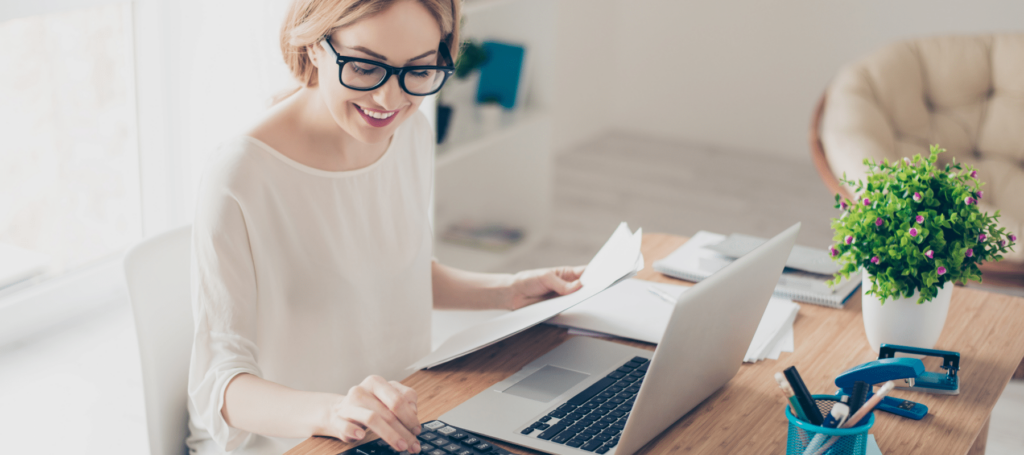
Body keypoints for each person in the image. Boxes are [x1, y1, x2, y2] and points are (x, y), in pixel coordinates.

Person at [186, 1, 584, 454]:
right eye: (363, 66)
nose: (390, 100)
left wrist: (508, 291)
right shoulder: (240, 175)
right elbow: (220, 383)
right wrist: (333, 411)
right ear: (316, 46)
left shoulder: (408, 131)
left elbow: (395, 275)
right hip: (298, 442)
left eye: (418, 70)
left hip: (406, 425)